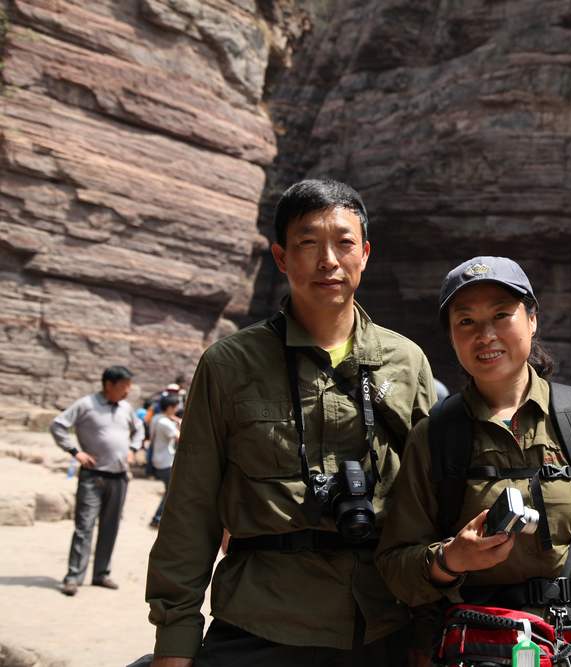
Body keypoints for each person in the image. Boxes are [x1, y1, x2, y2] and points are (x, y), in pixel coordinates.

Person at [145, 179, 437, 666]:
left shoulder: (405, 363)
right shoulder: (230, 365)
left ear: (364, 253)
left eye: (344, 243)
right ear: (281, 258)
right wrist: (174, 643)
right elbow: (190, 510)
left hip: (382, 625)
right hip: (260, 623)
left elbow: (432, 505)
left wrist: (429, 631)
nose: (328, 260)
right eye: (308, 243)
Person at [376, 256, 571, 665]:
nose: (486, 335)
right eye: (466, 321)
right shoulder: (435, 436)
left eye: (502, 315)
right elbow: (395, 566)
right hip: (478, 649)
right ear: (451, 336)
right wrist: (451, 560)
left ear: (532, 319)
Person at [51, 365, 143, 596]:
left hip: (119, 477)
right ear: (109, 385)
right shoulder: (86, 404)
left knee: (110, 527)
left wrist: (132, 448)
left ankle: (101, 574)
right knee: (84, 526)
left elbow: (139, 430)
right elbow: (58, 425)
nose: (127, 391)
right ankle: (73, 577)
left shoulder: (126, 408)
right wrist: (75, 452)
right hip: (93, 476)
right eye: (124, 386)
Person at [148, 394, 181, 528]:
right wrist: (180, 423)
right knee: (171, 491)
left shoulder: (157, 418)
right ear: (169, 408)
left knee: (170, 491)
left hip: (159, 459)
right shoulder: (165, 423)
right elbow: (180, 438)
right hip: (166, 461)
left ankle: (160, 517)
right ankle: (157, 518)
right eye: (175, 407)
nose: (176, 410)